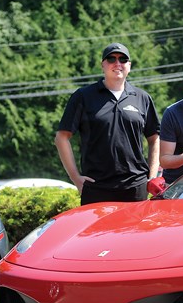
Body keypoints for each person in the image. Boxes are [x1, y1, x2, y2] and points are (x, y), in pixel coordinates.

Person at [55, 42, 160, 205]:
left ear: (129, 66)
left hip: (136, 188)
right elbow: (61, 137)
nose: (117, 63)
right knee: (98, 232)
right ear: (102, 65)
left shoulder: (142, 98)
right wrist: (75, 177)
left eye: (123, 59)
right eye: (111, 59)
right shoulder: (83, 96)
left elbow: (154, 138)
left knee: (134, 232)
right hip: (96, 188)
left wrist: (152, 176)